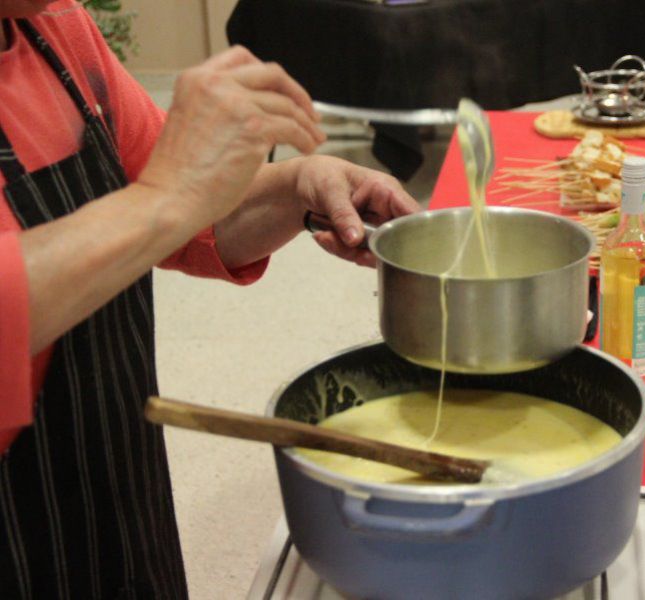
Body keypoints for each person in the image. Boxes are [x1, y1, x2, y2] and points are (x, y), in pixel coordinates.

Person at [0, 1, 419, 598]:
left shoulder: (53, 26)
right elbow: (160, 202)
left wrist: (299, 187)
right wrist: (164, 200)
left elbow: (185, 206)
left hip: (113, 486)